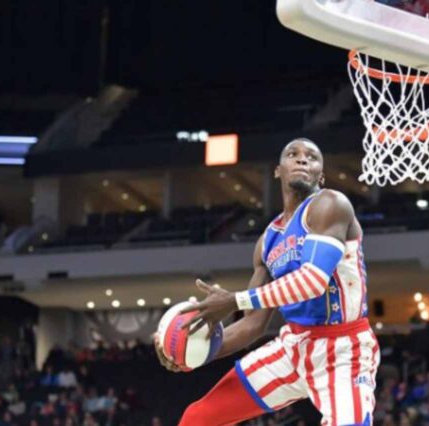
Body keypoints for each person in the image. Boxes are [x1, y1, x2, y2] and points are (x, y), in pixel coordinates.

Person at [155, 138, 379, 425]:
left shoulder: (331, 205)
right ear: (278, 170)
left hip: (344, 349)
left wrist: (234, 300)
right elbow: (252, 323)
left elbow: (312, 281)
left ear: (321, 176)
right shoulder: (267, 241)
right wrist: (193, 352)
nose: (302, 159)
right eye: (292, 154)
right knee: (198, 418)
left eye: (312, 157)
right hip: (293, 345)